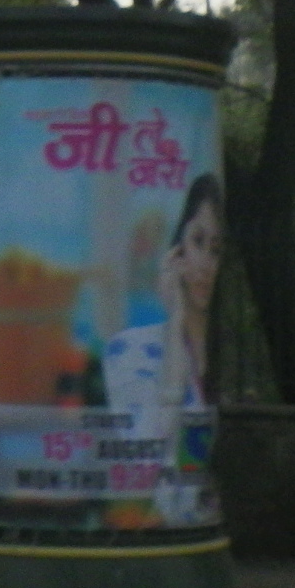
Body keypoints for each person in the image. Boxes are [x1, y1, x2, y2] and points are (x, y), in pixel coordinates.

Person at [103, 174, 224, 420]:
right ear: (178, 248)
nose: (205, 265)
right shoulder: (129, 350)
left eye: (217, 249)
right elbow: (152, 434)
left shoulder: (233, 357)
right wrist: (175, 322)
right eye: (198, 241)